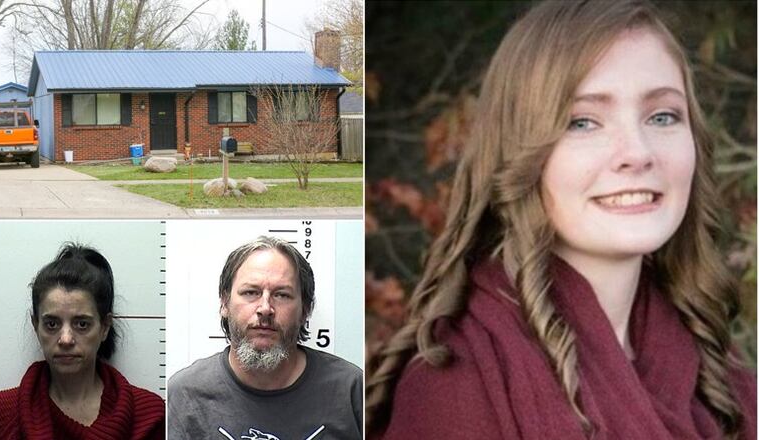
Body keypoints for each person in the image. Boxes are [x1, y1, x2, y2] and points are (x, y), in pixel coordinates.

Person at [366, 1, 756, 439]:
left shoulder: (718, 372)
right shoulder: (455, 386)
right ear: (519, 153)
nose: (638, 152)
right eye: (583, 122)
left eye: (662, 116)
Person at [168, 236, 363, 439]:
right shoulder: (184, 394)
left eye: (282, 295)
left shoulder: (351, 390)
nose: (265, 309)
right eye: (251, 292)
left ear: (305, 309)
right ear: (225, 303)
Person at [0, 244, 165, 440]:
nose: (65, 339)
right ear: (35, 325)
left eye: (82, 324)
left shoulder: (150, 418)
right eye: (52, 324)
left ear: (105, 327)